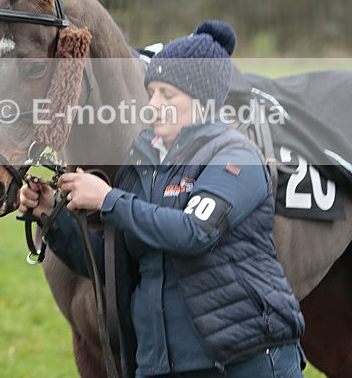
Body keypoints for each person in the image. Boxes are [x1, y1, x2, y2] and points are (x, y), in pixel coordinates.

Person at [20, 21, 306, 377]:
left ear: (202, 101)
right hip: (159, 365)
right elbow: (113, 263)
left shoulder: (235, 157)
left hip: (245, 361)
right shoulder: (141, 169)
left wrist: (108, 199)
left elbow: (193, 232)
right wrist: (52, 215)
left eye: (167, 95)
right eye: (151, 92)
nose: (153, 104)